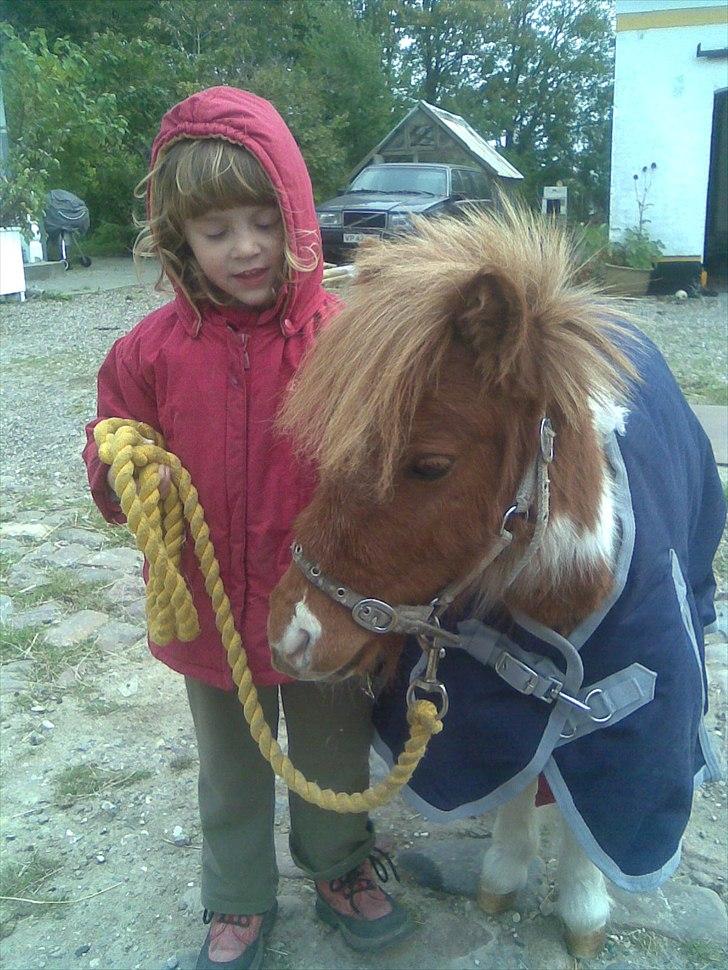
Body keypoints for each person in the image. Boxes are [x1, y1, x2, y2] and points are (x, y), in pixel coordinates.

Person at [83, 87, 412, 970]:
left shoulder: (344, 340)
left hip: (324, 610)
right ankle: (235, 899)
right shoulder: (147, 353)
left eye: (264, 220)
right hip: (210, 614)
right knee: (230, 768)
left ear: (297, 214)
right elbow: (113, 442)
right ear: (178, 238)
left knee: (334, 754)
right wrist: (121, 471)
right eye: (217, 229)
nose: (246, 248)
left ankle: (340, 864)